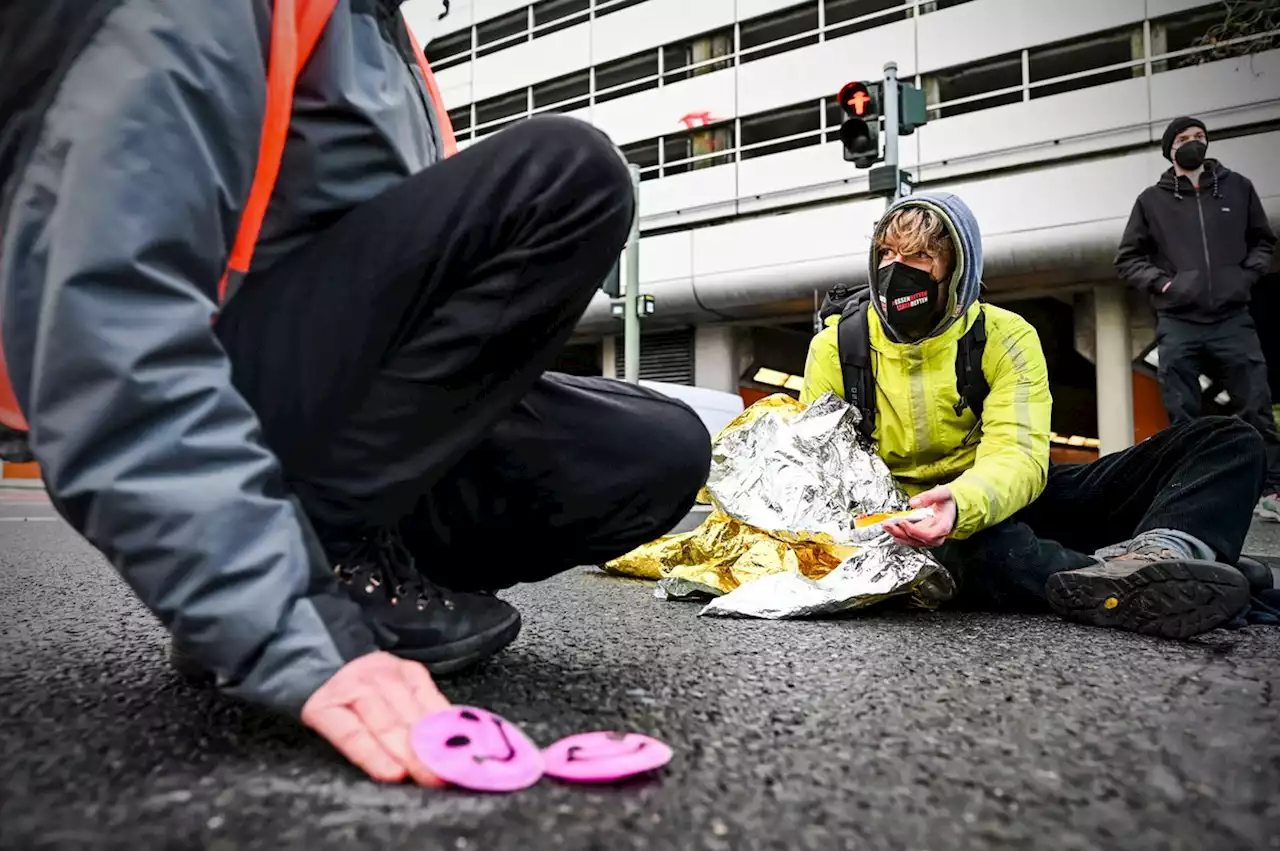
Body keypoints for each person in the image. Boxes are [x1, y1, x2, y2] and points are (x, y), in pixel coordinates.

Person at [0, 2, 710, 786]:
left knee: (653, 450)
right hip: (217, 397)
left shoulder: (381, 34)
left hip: (308, 407)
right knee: (568, 175)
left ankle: (369, 556)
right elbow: (106, 329)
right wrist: (292, 628)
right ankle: (325, 564)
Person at [802, 191, 1266, 639]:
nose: (894, 270)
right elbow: (817, 475)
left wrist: (962, 502)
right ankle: (1149, 579)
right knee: (995, 556)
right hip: (914, 530)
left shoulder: (1006, 336)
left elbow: (1019, 455)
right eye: (886, 253)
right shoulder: (835, 349)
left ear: (956, 270)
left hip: (994, 499)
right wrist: (923, 518)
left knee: (1226, 440)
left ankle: (1163, 554)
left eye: (919, 256)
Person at [1114, 116, 1279, 520]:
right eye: (1185, 139)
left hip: (1231, 317)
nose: (1194, 143)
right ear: (1170, 149)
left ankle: (1271, 492)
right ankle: (1192, 491)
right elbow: (1128, 259)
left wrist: (1245, 276)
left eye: (1199, 138)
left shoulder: (1237, 188)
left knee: (1255, 403)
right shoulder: (1151, 201)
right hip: (1178, 321)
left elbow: (1263, 240)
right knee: (1182, 413)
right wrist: (1167, 285)